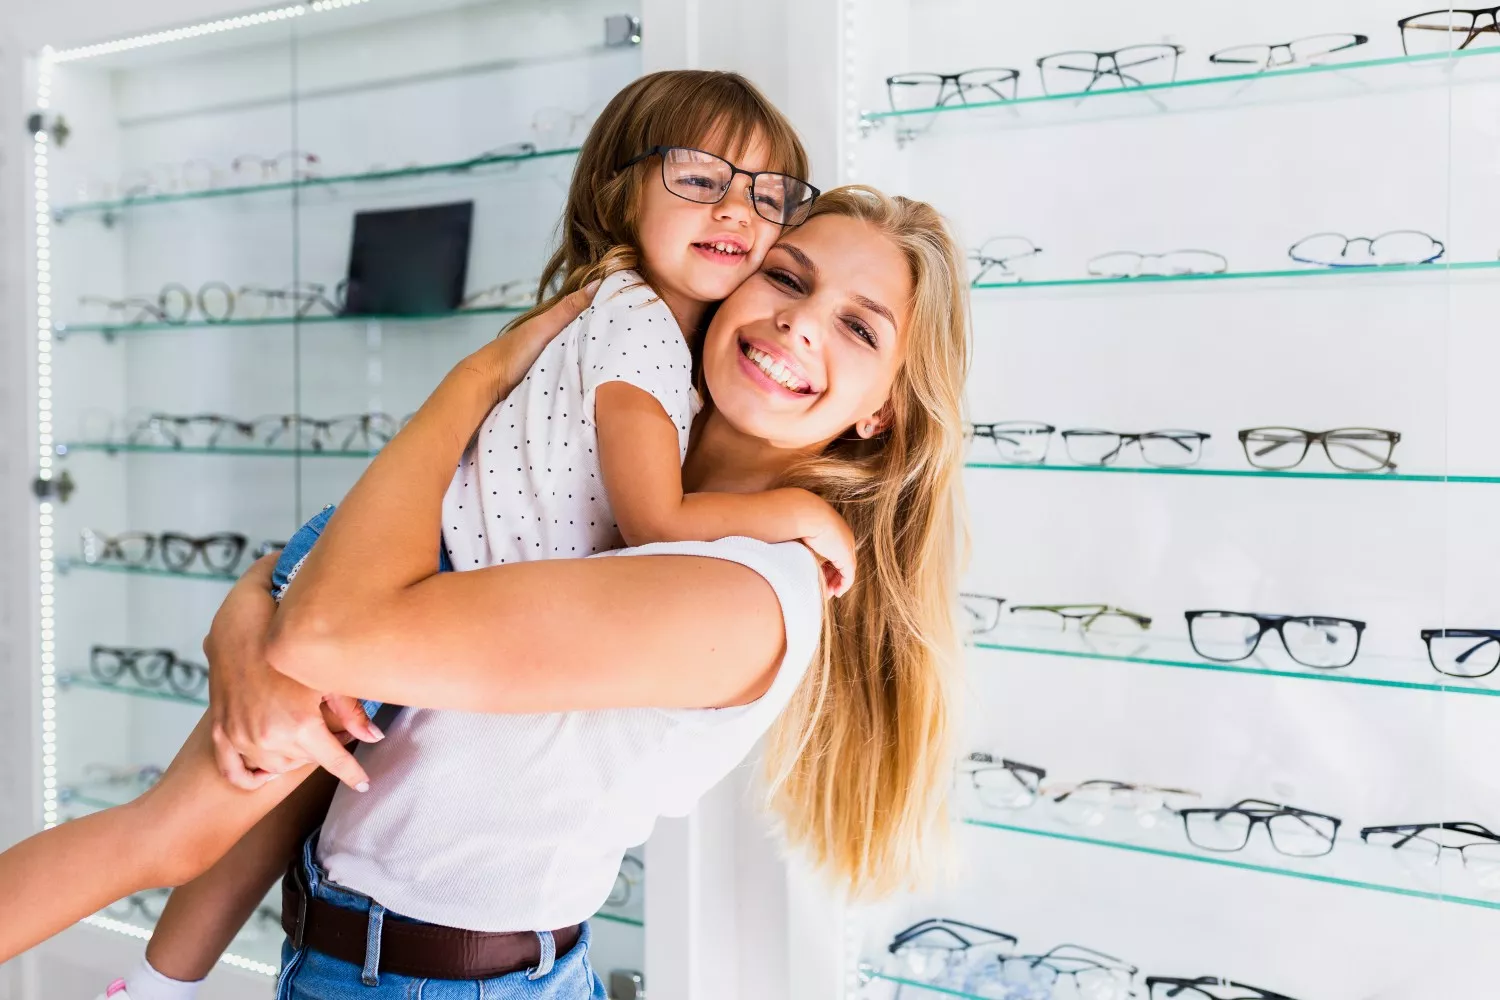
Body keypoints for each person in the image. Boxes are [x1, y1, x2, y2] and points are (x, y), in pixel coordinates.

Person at [14, 184, 972, 997]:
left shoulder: (744, 591)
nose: (801, 322)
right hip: (341, 948)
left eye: (857, 326)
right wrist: (243, 632)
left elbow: (330, 629)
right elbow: (341, 574)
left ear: (884, 409)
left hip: (447, 981)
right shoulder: (631, 444)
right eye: (787, 276)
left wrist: (469, 381)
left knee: (162, 835)